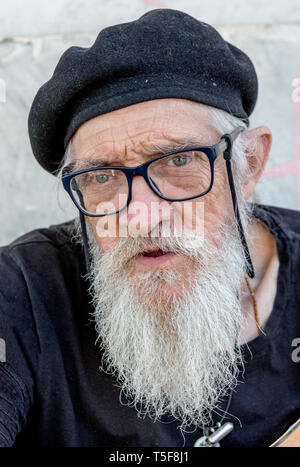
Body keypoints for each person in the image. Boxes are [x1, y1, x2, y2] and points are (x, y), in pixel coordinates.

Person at [0, 8, 299, 447]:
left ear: (248, 165)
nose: (142, 214)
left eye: (179, 161)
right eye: (101, 177)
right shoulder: (21, 289)